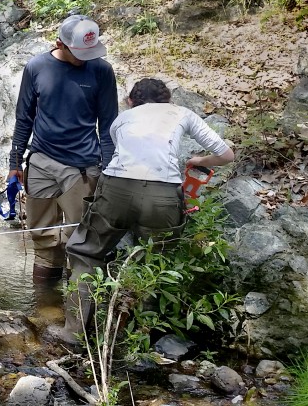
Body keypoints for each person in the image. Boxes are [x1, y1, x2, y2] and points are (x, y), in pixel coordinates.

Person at [47, 77, 235, 345]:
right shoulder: (183, 113)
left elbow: (119, 150)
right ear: (168, 100)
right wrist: (199, 160)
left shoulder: (124, 118)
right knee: (155, 265)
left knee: (87, 254)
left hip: (116, 189)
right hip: (163, 196)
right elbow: (227, 155)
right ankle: (139, 341)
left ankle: (73, 333)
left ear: (131, 101)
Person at [8, 15, 118, 288]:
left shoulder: (101, 71)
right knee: (42, 235)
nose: (85, 58)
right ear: (60, 44)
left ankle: (77, 314)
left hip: (82, 167)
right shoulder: (36, 67)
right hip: (41, 161)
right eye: (79, 53)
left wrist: (108, 168)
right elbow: (24, 118)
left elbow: (108, 124)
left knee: (80, 238)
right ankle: (44, 308)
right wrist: (15, 163)